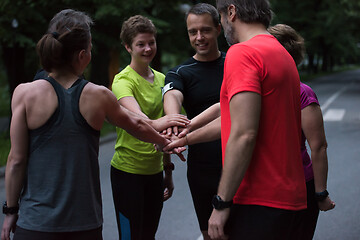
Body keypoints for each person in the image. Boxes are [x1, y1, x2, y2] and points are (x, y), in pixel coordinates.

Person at [0, 9, 189, 240]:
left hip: (34, 223)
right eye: (90, 47)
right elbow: (137, 126)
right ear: (83, 55)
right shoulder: (98, 95)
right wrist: (165, 142)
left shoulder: (24, 94)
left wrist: (10, 211)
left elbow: (16, 160)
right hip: (84, 223)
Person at [203, 0, 307, 239]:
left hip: (258, 199)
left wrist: (221, 203)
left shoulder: (243, 52)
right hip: (291, 198)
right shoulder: (282, 53)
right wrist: (186, 137)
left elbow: (244, 133)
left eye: (220, 17)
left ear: (231, 11)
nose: (222, 24)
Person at [110, 15, 184, 240]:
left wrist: (168, 172)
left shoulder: (162, 79)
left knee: (148, 236)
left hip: (155, 174)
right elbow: (140, 120)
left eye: (151, 42)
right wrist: (169, 122)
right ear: (128, 47)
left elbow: (165, 133)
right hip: (127, 173)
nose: (147, 48)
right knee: (130, 236)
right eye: (140, 44)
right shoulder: (122, 81)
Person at [162, 3, 224, 239]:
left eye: (205, 30)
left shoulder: (236, 63)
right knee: (211, 234)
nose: (199, 37)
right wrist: (173, 123)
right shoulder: (180, 72)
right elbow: (172, 96)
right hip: (203, 168)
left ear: (218, 29)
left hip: (244, 162)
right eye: (192, 32)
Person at [268, 23, 335, 240]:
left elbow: (318, 146)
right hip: (263, 185)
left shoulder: (302, 93)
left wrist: (320, 193)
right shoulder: (255, 90)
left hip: (299, 185)